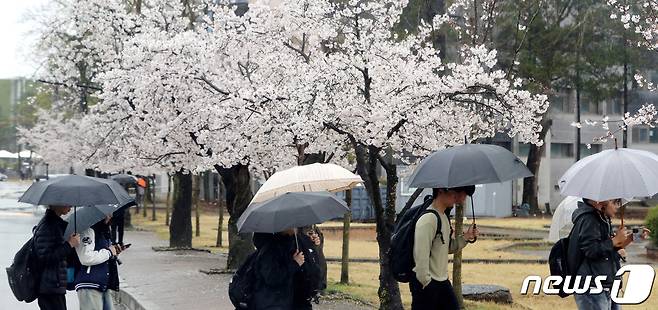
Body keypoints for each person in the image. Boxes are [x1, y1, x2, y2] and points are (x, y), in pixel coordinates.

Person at [567, 198, 649, 310]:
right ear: (600, 201)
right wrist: (614, 240)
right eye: (615, 202)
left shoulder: (603, 218)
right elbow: (591, 250)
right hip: (592, 287)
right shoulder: (588, 219)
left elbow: (610, 248)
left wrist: (632, 237)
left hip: (608, 283)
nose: (617, 206)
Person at [410, 186, 479, 310]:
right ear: (441, 191)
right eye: (454, 193)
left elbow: (446, 247)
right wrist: (426, 282)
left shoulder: (443, 217)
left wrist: (467, 237)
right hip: (426, 284)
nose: (456, 197)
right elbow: (420, 257)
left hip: (442, 281)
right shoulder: (428, 220)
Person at [251, 229, 315, 310]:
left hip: (296, 300)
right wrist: (295, 264)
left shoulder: (293, 241)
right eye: (291, 225)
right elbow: (272, 278)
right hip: (274, 302)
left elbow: (310, 269)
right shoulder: (270, 249)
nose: (295, 227)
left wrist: (310, 243)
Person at [34, 205, 80, 310]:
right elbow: (45, 258)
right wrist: (69, 245)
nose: (71, 206)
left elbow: (59, 253)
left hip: (55, 285)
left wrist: (70, 243)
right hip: (49, 286)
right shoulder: (48, 226)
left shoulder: (55, 224)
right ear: (58, 203)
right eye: (68, 202)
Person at [74, 215, 122, 310]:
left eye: (111, 213)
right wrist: (108, 252)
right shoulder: (88, 230)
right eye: (107, 213)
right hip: (90, 284)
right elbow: (85, 257)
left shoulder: (104, 231)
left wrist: (114, 252)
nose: (110, 216)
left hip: (102, 283)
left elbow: (104, 254)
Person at [293, 227, 323, 309]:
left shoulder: (304, 237)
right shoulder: (282, 241)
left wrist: (314, 246)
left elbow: (315, 262)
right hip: (293, 292)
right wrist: (294, 263)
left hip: (306, 290)